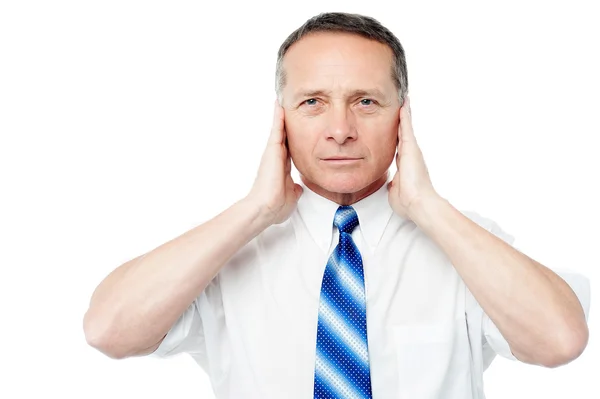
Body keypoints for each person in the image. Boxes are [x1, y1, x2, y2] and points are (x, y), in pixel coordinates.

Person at [83, 12, 590, 399]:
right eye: (313, 102)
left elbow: (561, 341)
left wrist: (427, 206)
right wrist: (255, 210)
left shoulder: (467, 243)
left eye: (366, 101)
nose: (341, 129)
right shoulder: (225, 253)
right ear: (280, 119)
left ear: (403, 117)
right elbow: (108, 331)